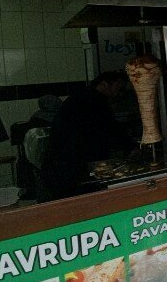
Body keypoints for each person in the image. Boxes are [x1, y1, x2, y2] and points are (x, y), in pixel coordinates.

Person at [39, 71, 135, 203]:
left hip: (63, 162)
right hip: (70, 164)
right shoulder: (93, 101)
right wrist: (130, 147)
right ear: (104, 84)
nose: (119, 93)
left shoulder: (81, 97)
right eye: (118, 87)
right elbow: (111, 129)